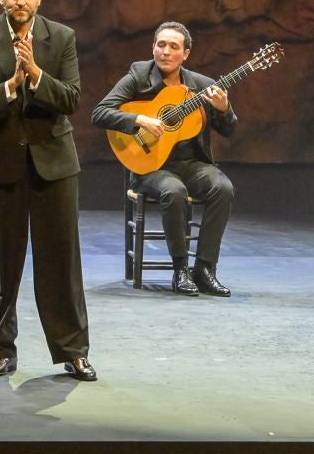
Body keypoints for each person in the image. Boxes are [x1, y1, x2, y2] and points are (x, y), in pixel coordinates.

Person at [0, 0, 94, 380]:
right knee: (7, 263)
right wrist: (10, 86)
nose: (21, 1)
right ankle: (1, 350)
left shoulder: (62, 37)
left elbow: (71, 98)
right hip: (2, 164)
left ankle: (73, 351)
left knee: (61, 262)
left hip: (55, 164)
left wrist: (35, 74)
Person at [91, 22, 238, 296]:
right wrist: (139, 119)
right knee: (174, 190)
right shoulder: (138, 76)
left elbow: (229, 129)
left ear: (186, 54)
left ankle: (205, 269)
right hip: (151, 166)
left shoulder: (202, 87)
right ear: (153, 48)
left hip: (192, 164)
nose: (166, 52)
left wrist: (224, 108)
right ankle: (181, 270)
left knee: (223, 188)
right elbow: (100, 113)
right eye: (161, 45)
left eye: (173, 46)